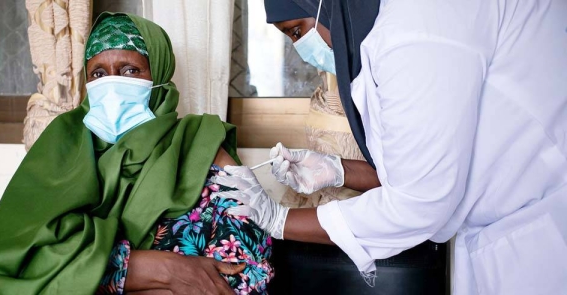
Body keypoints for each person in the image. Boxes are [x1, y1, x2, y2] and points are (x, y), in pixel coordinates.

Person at [213, 0, 567, 294]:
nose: (301, 48)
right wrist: (338, 170)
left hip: (542, 233)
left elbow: (419, 201)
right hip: (515, 227)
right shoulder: (397, 30)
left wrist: (279, 219)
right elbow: (425, 169)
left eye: (297, 31)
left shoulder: (419, 29)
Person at [0, 13, 273, 295]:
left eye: (130, 70)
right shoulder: (62, 148)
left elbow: (246, 277)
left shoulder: (200, 147)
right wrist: (164, 270)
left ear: (159, 75)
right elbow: (19, 261)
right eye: (98, 73)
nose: (112, 85)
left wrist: (97, 276)